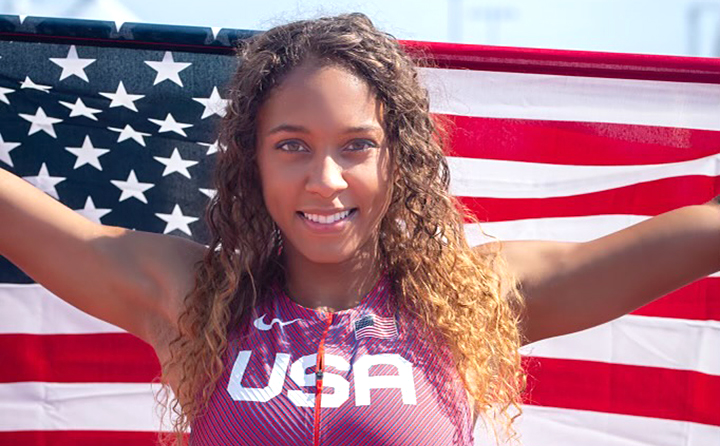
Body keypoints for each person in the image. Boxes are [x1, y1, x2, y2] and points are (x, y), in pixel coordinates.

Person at [1, 12, 718, 446]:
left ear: (397, 158)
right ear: (252, 160)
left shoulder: (474, 298)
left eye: (356, 145)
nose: (326, 180)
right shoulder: (191, 296)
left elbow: (693, 235)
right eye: (292, 145)